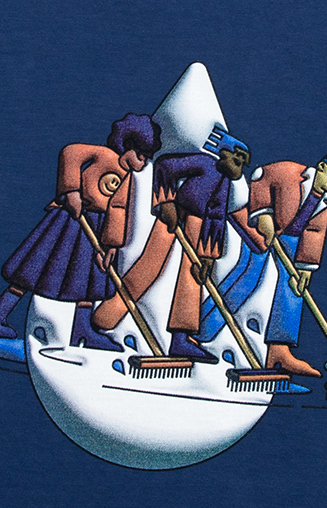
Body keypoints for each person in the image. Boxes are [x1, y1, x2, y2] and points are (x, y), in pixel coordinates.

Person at [0, 113, 162, 346]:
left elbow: (119, 211)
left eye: (146, 159)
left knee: (91, 278)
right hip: (70, 220)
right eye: (140, 156)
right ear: (128, 145)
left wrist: (111, 245)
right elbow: (71, 153)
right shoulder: (104, 155)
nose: (142, 163)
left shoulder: (128, 180)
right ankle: (0, 310)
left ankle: (82, 330)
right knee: (36, 265)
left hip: (96, 228)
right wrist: (72, 191)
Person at [92, 137, 251, 361]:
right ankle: (105, 318)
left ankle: (181, 338)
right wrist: (166, 202)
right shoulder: (204, 162)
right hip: (175, 214)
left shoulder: (224, 184)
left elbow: (216, 218)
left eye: (243, 161)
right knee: (150, 265)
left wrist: (208, 257)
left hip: (198, 224)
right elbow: (166, 166)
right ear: (224, 152)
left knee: (193, 278)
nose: (239, 164)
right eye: (236, 156)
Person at [199, 154, 327, 375]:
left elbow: (315, 231)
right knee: (248, 277)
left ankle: (279, 351)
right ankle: (203, 330)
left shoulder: (325, 197)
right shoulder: (291, 173)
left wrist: (306, 266)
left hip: (291, 237)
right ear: (322, 167)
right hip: (263, 228)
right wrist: (264, 214)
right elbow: (260, 177)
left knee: (294, 287)